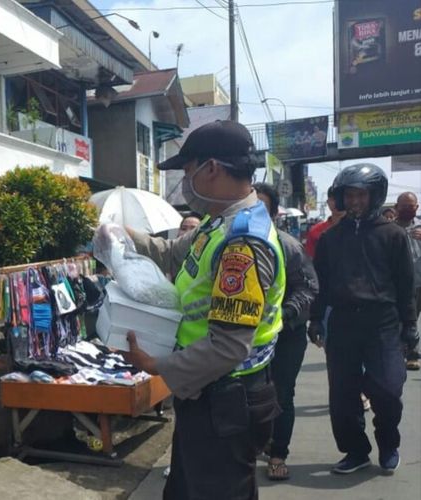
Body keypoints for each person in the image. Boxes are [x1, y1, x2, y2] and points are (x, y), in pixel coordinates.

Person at [122, 120, 284, 500]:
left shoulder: (243, 243)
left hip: (227, 398)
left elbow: (229, 347)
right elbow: (170, 254)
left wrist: (156, 366)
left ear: (211, 168)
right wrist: (121, 235)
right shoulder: (218, 223)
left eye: (186, 169)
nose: (184, 179)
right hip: (209, 392)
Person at [308, 164, 418, 475]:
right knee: (342, 396)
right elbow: (321, 283)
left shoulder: (393, 235)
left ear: (374, 196)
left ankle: (388, 442)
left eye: (361, 195)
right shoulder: (330, 239)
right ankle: (355, 451)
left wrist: (410, 326)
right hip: (342, 323)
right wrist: (315, 320)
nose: (355, 201)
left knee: (387, 389)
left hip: (382, 322)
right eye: (350, 195)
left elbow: (406, 285)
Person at [253, 183, 319, 481]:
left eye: (260, 209)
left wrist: (281, 314)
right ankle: (256, 443)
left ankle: (278, 453)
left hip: (286, 334)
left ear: (274, 213)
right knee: (248, 393)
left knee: (282, 393)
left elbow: (308, 288)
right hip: (244, 337)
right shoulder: (229, 242)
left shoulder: (288, 245)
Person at [394, 192, 421, 371]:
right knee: (403, 320)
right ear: (397, 207)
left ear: (417, 207)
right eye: (403, 206)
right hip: (399, 284)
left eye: (410, 206)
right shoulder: (389, 229)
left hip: (419, 282)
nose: (407, 210)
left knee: (414, 319)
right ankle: (405, 352)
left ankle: (412, 353)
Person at [305, 186, 345, 258]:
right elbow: (309, 261)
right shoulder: (315, 231)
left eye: (341, 199)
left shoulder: (358, 230)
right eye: (333, 199)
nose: (337, 203)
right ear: (328, 202)